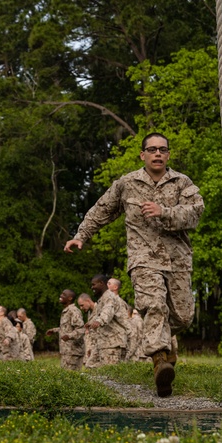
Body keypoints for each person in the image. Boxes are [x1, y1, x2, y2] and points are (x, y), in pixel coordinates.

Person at [65, 133, 203, 396]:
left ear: (169, 154)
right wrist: (80, 236)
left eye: (163, 149)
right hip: (143, 258)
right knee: (154, 304)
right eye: (152, 149)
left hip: (178, 259)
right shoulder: (127, 183)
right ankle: (160, 362)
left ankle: (166, 351)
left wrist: (165, 212)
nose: (158, 154)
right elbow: (101, 210)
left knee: (183, 317)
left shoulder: (182, 182)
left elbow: (196, 212)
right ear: (143, 155)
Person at [86, 274, 128, 367]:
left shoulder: (110, 296)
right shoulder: (102, 299)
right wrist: (90, 323)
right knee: (90, 366)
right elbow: (98, 314)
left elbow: (108, 311)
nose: (92, 287)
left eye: (94, 285)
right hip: (103, 342)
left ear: (101, 283)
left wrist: (99, 321)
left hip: (113, 343)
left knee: (109, 375)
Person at [46, 289, 85, 370]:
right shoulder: (66, 311)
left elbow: (81, 329)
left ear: (70, 298)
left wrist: (69, 336)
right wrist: (54, 330)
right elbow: (66, 328)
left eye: (64, 295)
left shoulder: (74, 311)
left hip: (73, 352)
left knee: (71, 378)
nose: (61, 296)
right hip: (67, 352)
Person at [77, 293, 97, 368]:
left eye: (82, 305)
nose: (81, 308)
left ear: (88, 301)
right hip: (92, 346)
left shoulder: (100, 309)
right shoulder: (90, 312)